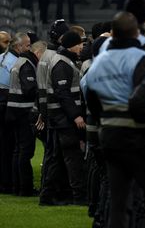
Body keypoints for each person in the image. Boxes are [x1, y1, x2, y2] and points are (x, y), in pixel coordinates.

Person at [81, 12, 145, 228]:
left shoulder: (98, 63)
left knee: (118, 199)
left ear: (113, 34)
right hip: (137, 134)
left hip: (108, 134)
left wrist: (105, 119)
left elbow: (91, 98)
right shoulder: (142, 59)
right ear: (137, 33)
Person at [39, 31, 87, 206]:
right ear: (72, 45)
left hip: (60, 118)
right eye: (79, 44)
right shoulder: (62, 63)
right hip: (63, 119)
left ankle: (47, 197)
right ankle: (79, 196)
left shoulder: (63, 60)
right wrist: (76, 115)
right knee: (72, 158)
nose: (82, 47)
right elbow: (63, 93)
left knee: (57, 159)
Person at [6, 40, 46, 196]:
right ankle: (25, 188)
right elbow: (29, 89)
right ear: (38, 53)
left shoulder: (19, 61)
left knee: (18, 151)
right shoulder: (27, 64)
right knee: (25, 151)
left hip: (15, 111)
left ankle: (17, 187)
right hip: (23, 112)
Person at [0, 33, 30, 194]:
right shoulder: (18, 63)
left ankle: (5, 183)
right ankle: (10, 183)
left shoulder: (2, 59)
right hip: (9, 107)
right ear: (18, 47)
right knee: (11, 147)